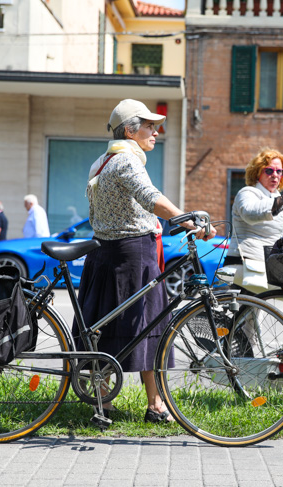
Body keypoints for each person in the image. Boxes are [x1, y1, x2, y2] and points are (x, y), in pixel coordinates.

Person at [75, 98, 216, 424]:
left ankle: (102, 404)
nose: (157, 131)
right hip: (133, 256)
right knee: (150, 327)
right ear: (129, 130)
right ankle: (155, 406)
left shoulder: (102, 161)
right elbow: (150, 197)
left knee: (103, 329)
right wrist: (186, 219)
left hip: (104, 254)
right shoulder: (127, 162)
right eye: (150, 126)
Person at [224, 148, 283, 293]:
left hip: (265, 266)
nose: (275, 175)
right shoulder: (247, 192)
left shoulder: (277, 200)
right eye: (269, 171)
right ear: (257, 172)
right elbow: (251, 213)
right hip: (244, 264)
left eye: (280, 171)